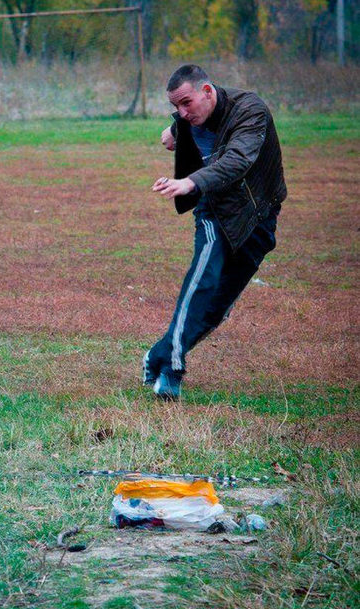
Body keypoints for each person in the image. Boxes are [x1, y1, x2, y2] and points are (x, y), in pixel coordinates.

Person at [144, 64, 287, 399]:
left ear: (207, 91)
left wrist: (190, 180)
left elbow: (237, 158)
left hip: (258, 217)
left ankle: (158, 354)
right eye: (175, 107)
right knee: (203, 281)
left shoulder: (251, 111)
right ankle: (172, 370)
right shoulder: (188, 117)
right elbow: (187, 123)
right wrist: (175, 129)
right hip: (213, 210)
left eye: (186, 103)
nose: (181, 112)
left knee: (216, 308)